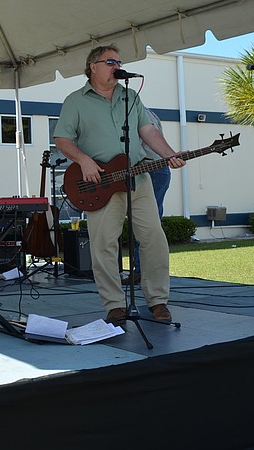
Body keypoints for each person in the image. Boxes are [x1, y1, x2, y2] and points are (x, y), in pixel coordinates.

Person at [53, 45, 185, 326]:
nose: (117, 65)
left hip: (138, 177)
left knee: (153, 238)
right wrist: (84, 161)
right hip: (98, 182)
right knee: (103, 245)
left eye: (119, 61)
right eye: (110, 61)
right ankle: (114, 304)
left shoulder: (130, 96)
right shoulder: (75, 101)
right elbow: (63, 139)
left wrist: (169, 154)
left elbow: (147, 130)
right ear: (93, 66)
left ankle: (158, 300)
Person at [124, 107, 172, 286]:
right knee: (145, 222)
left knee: (147, 223)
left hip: (152, 169)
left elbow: (139, 144)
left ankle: (143, 271)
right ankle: (141, 270)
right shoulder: (145, 112)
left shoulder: (138, 112)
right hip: (152, 169)